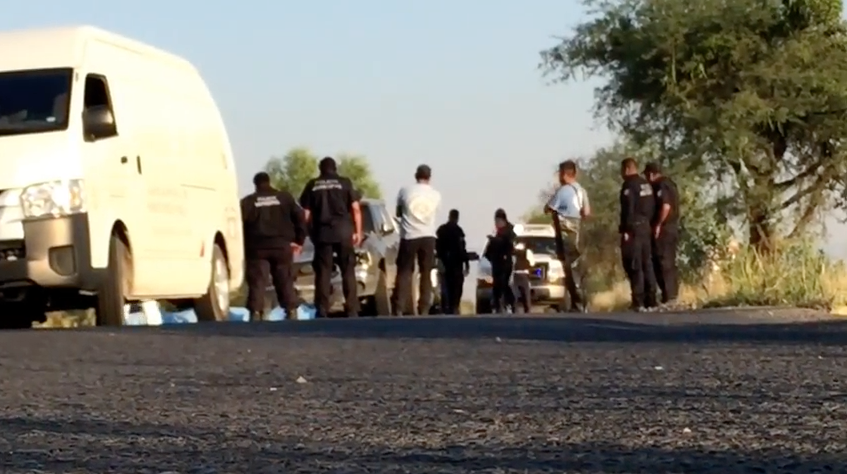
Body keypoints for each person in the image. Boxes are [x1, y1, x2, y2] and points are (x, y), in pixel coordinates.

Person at [298, 157, 363, 318]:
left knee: (323, 272)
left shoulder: (312, 185)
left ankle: (322, 309)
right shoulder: (345, 183)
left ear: (320, 169)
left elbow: (306, 214)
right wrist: (358, 232)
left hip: (322, 234)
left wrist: (309, 232)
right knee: (348, 271)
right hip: (344, 232)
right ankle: (352, 308)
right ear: (335, 168)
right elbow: (355, 209)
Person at [241, 172, 307, 322]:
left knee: (257, 281)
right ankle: (291, 310)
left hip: (257, 248)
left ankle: (255, 313)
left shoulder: (247, 202)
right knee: (284, 278)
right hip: (282, 246)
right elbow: (300, 217)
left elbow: (240, 225)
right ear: (269, 182)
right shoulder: (285, 198)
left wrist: (244, 246)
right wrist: (299, 240)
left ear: (255, 184)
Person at [393, 164, 442, 316]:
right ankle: (424, 307)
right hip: (428, 236)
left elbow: (399, 212)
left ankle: (399, 306)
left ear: (416, 176)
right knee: (426, 273)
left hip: (409, 236)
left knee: (404, 272)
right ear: (430, 177)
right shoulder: (436, 194)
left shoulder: (405, 191)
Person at [545, 160, 590, 312]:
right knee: (577, 265)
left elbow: (548, 208)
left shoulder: (563, 191)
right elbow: (586, 212)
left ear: (564, 174)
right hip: (578, 229)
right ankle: (582, 301)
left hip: (566, 230)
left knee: (570, 268)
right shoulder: (581, 190)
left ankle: (577, 303)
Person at [619, 157, 658, 311]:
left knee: (635, 264)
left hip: (634, 229)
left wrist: (626, 230)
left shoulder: (629, 186)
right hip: (646, 227)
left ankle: (638, 300)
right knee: (647, 263)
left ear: (627, 169)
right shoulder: (646, 184)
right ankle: (652, 299)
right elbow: (652, 206)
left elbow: (628, 209)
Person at [644, 162, 680, 305]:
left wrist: (658, 224)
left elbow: (666, 206)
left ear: (652, 173)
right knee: (665, 260)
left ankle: (670, 296)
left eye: (647, 175)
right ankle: (669, 295)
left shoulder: (661, 185)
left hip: (665, 228)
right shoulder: (671, 184)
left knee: (663, 261)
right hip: (671, 227)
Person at [436, 209, 470, 314]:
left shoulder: (444, 230)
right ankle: (451, 306)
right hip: (453, 263)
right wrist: (466, 264)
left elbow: (438, 248)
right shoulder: (455, 231)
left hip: (451, 263)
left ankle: (450, 306)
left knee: (450, 286)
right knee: (452, 287)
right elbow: (462, 249)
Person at [484, 209, 516, 313]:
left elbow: (509, 245)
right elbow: (489, 250)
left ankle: (510, 302)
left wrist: (495, 241)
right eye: (495, 221)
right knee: (497, 284)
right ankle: (497, 304)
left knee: (504, 283)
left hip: (505, 262)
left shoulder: (509, 231)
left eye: (498, 220)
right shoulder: (497, 232)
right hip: (496, 262)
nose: (496, 223)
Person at [511, 240, 534, 313]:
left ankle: (514, 309)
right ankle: (527, 309)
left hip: (515, 274)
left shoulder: (513, 253)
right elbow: (532, 263)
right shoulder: (528, 252)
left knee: (515, 293)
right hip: (524, 273)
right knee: (526, 293)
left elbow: (512, 263)